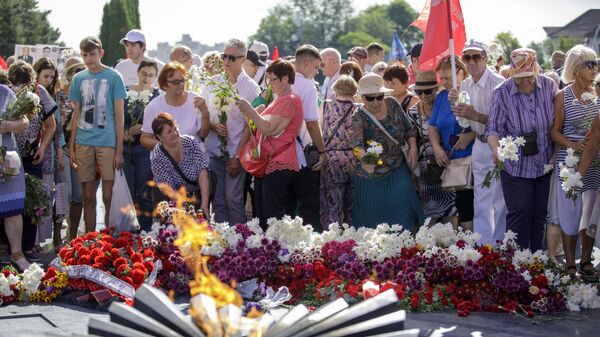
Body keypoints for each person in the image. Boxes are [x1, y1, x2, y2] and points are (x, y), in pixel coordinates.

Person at [487, 48, 557, 251]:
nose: (526, 81)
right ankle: (516, 266)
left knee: (539, 215)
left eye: (529, 77)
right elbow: (493, 129)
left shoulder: (549, 86)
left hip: (544, 163)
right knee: (520, 213)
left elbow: (557, 123)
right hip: (515, 166)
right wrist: (496, 149)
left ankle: (537, 263)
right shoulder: (501, 92)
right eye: (521, 78)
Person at [449, 40, 507, 245]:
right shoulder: (465, 84)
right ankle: (484, 246)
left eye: (476, 57)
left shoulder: (499, 82)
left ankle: (501, 245)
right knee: (480, 198)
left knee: (499, 200)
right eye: (467, 57)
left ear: (485, 58)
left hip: (498, 145)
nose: (471, 62)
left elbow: (506, 122)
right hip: (479, 145)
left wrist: (476, 115)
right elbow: (464, 121)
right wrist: (457, 107)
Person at [68, 36, 128, 234]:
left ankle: (109, 235)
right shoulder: (78, 79)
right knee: (87, 194)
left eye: (92, 54)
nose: (88, 58)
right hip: (83, 141)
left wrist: (119, 150)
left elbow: (119, 115)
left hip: (107, 142)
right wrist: (72, 146)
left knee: (108, 194)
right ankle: (90, 236)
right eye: (84, 54)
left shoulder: (113, 77)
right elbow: (76, 114)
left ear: (101, 53)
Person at [550, 45, 599, 279]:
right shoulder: (563, 95)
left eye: (595, 63)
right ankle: (570, 262)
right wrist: (571, 144)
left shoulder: (597, 93)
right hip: (568, 160)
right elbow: (554, 132)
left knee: (590, 212)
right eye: (589, 64)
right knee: (570, 211)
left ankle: (586, 260)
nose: (594, 68)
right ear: (575, 69)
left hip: (595, 161)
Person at [235, 59, 303, 227]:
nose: (269, 84)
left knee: (272, 213)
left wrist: (250, 110)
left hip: (279, 161)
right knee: (262, 210)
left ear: (285, 79)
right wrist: (257, 114)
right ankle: (266, 248)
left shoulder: (290, 100)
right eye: (268, 80)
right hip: (268, 161)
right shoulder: (279, 99)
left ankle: (276, 248)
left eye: (272, 79)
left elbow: (269, 129)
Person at [352, 73, 423, 229]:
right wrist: (366, 161)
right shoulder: (358, 117)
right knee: (373, 225)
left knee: (405, 216)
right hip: (371, 177)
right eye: (371, 98)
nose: (376, 101)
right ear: (363, 98)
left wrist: (413, 147)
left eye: (379, 96)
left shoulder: (392, 103)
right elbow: (357, 147)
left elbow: (409, 129)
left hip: (398, 168)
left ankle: (407, 250)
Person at [203, 39, 260, 224]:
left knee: (233, 199)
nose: (226, 61)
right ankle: (220, 243)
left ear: (243, 59)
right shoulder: (212, 83)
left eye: (231, 58)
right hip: (213, 149)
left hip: (236, 151)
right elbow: (203, 114)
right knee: (218, 200)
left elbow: (250, 126)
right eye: (224, 56)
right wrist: (213, 126)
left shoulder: (251, 87)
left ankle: (239, 244)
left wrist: (237, 155)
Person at [9, 61, 57, 261]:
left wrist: (43, 147)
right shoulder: (6, 91)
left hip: (31, 155)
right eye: (16, 85)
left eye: (24, 85)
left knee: (32, 202)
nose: (20, 89)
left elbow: (51, 125)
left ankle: (27, 246)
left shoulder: (40, 92)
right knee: (10, 203)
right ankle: (9, 246)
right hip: (8, 156)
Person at [429, 57, 476, 230]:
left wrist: (471, 134)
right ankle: (469, 243)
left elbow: (489, 122)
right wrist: (436, 147)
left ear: (461, 73)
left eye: (448, 78)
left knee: (475, 203)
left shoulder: (472, 93)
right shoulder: (442, 97)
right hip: (453, 162)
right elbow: (433, 125)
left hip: (474, 159)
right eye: (442, 78)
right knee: (463, 204)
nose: (444, 82)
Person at [408, 70, 457, 222]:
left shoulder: (445, 105)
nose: (422, 96)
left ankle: (454, 242)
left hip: (447, 160)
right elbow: (411, 137)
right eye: (418, 92)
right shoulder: (413, 112)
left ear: (436, 89)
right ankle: (430, 244)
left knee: (452, 209)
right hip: (426, 166)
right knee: (430, 211)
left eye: (427, 91)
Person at [289, 44, 327, 229]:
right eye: (316, 66)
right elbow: (312, 123)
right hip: (302, 154)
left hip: (280, 153)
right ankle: (307, 251)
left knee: (286, 206)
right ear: (305, 63)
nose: (317, 71)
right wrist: (322, 151)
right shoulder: (308, 86)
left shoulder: (281, 81)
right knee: (309, 205)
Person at [123, 60, 161, 231]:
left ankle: (144, 231)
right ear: (138, 72)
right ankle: (128, 232)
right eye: (144, 73)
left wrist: (146, 127)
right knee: (127, 193)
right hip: (125, 148)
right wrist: (123, 131)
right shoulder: (125, 93)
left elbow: (161, 123)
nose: (147, 78)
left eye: (151, 75)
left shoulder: (157, 96)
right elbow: (117, 116)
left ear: (155, 77)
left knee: (144, 193)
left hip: (145, 150)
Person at [141, 62, 210, 152]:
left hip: (194, 157)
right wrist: (167, 147)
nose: (181, 84)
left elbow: (203, 134)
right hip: (166, 159)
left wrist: (205, 113)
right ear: (164, 85)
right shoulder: (154, 106)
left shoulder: (195, 100)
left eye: (183, 80)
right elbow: (145, 138)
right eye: (176, 82)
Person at [150, 113, 209, 216]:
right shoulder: (157, 157)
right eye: (169, 132)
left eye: (175, 129)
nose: (174, 133)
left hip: (197, 190)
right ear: (159, 137)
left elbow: (202, 171)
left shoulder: (190, 142)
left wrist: (204, 203)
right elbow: (170, 190)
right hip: (172, 197)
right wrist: (186, 212)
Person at [33, 57, 65, 250]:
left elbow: (57, 128)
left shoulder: (53, 96)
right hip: (31, 149)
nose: (48, 80)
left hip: (49, 151)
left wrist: (59, 153)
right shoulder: (31, 94)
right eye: (45, 76)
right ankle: (32, 239)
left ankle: (39, 240)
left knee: (45, 195)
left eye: (52, 77)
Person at [320, 75, 359, 226]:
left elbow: (319, 127)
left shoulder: (326, 106)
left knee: (331, 200)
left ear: (335, 89)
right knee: (351, 203)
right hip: (353, 157)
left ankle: (331, 235)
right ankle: (351, 234)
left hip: (331, 157)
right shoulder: (358, 110)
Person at [0, 84, 31, 271]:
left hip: (7, 161)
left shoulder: (4, 92)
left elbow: (24, 121)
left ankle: (17, 254)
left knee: (13, 208)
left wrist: (8, 125)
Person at [56, 56, 85, 241]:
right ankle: (56, 236)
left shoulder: (88, 95)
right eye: (74, 70)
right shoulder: (58, 95)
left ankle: (72, 236)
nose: (77, 74)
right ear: (67, 74)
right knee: (63, 193)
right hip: (62, 149)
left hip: (82, 149)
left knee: (79, 196)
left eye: (81, 70)